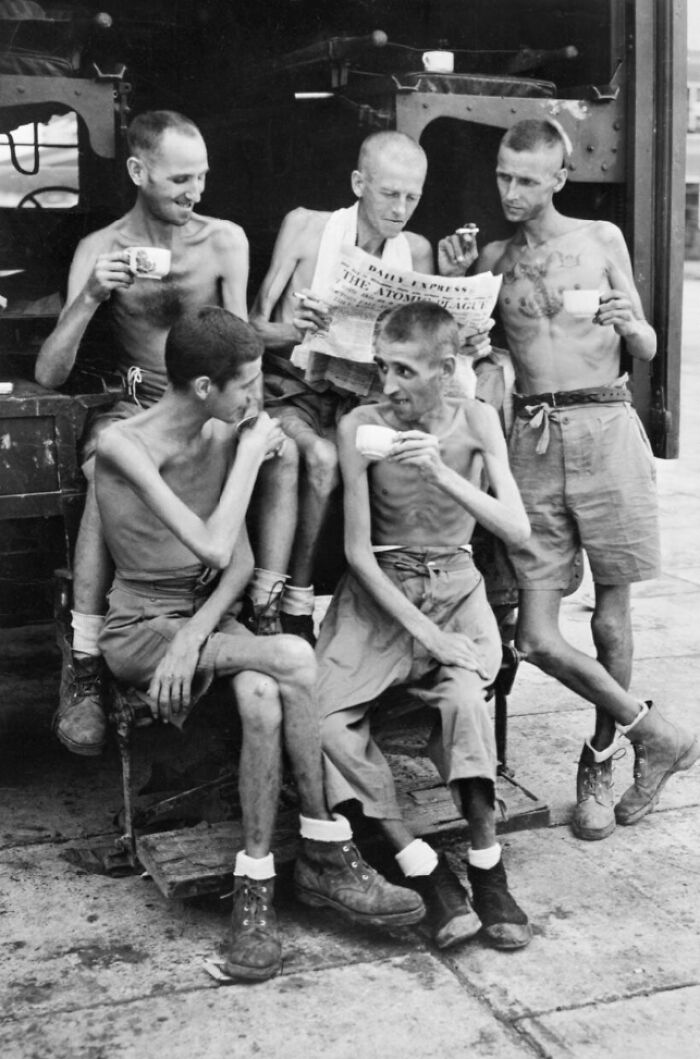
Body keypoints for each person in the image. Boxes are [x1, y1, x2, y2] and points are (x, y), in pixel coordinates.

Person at [94, 305, 426, 983]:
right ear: (204, 387)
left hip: (202, 621)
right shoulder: (125, 444)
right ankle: (325, 845)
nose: (260, 397)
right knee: (295, 657)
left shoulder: (221, 432)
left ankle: (259, 888)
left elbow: (238, 564)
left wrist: (194, 636)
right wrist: (251, 453)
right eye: (248, 384)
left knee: (263, 697)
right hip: (138, 628)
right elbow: (210, 543)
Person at [441, 118, 699, 841]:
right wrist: (458, 273)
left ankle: (603, 756)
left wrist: (631, 322)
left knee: (612, 619)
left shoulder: (601, 240)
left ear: (560, 176)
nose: (513, 191)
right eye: (503, 175)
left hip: (607, 425)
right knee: (536, 634)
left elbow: (646, 343)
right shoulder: (493, 256)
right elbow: (466, 345)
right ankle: (658, 732)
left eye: (528, 178)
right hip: (533, 435)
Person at [34, 109, 269, 756]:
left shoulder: (225, 240)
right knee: (99, 470)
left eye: (202, 177)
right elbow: (49, 374)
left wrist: (253, 415)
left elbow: (243, 347)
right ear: (139, 172)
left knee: (280, 456)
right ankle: (85, 656)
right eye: (180, 179)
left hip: (210, 403)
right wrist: (89, 297)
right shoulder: (101, 248)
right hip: (134, 403)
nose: (195, 193)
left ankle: (265, 605)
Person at [316, 301, 532, 951]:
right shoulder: (360, 424)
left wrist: (440, 470)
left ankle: (488, 866)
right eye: (382, 366)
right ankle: (421, 864)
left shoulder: (479, 421)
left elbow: (516, 528)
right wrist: (426, 635)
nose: (389, 385)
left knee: (465, 697)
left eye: (406, 371)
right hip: (380, 590)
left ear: (447, 369)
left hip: (456, 583)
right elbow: (357, 551)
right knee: (322, 720)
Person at [248, 131, 470, 643]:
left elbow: (425, 344)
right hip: (293, 392)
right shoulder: (306, 229)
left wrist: (459, 289)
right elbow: (253, 328)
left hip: (364, 399)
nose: (400, 208)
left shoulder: (413, 250)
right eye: (389, 193)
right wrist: (295, 329)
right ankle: (291, 602)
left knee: (431, 453)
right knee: (323, 459)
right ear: (358, 183)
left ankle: (414, 596)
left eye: (412, 197)